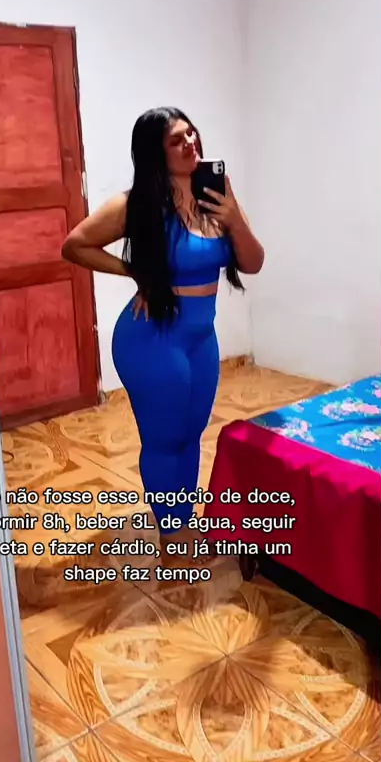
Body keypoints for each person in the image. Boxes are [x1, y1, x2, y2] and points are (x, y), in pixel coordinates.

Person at [61, 107, 264, 564]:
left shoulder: (217, 196)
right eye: (176, 139)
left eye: (192, 134)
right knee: (164, 439)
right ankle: (172, 534)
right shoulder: (137, 205)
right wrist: (136, 273)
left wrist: (234, 217)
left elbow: (253, 262)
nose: (190, 143)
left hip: (200, 339)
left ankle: (183, 517)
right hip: (152, 339)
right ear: (156, 151)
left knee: (191, 434)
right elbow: (75, 245)